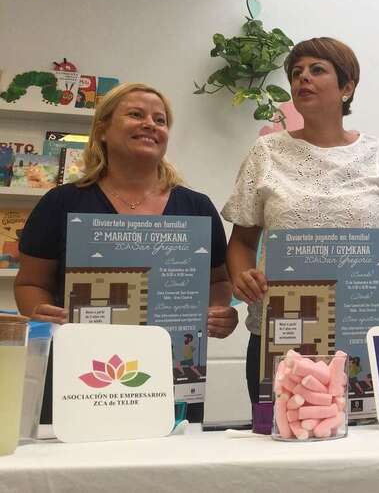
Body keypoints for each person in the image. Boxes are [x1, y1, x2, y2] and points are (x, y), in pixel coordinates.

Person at [15, 82, 238, 423]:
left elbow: (219, 280)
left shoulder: (197, 207)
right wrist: (39, 313)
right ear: (102, 129)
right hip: (81, 374)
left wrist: (219, 310)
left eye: (160, 120)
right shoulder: (61, 203)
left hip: (172, 376)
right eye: (136, 114)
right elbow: (29, 284)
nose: (151, 124)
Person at [222, 37, 379, 405]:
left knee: (367, 453)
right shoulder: (266, 152)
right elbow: (243, 241)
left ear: (347, 87)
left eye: (316, 70)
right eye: (296, 73)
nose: (302, 80)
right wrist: (242, 276)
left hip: (362, 332)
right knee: (281, 446)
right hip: (282, 333)